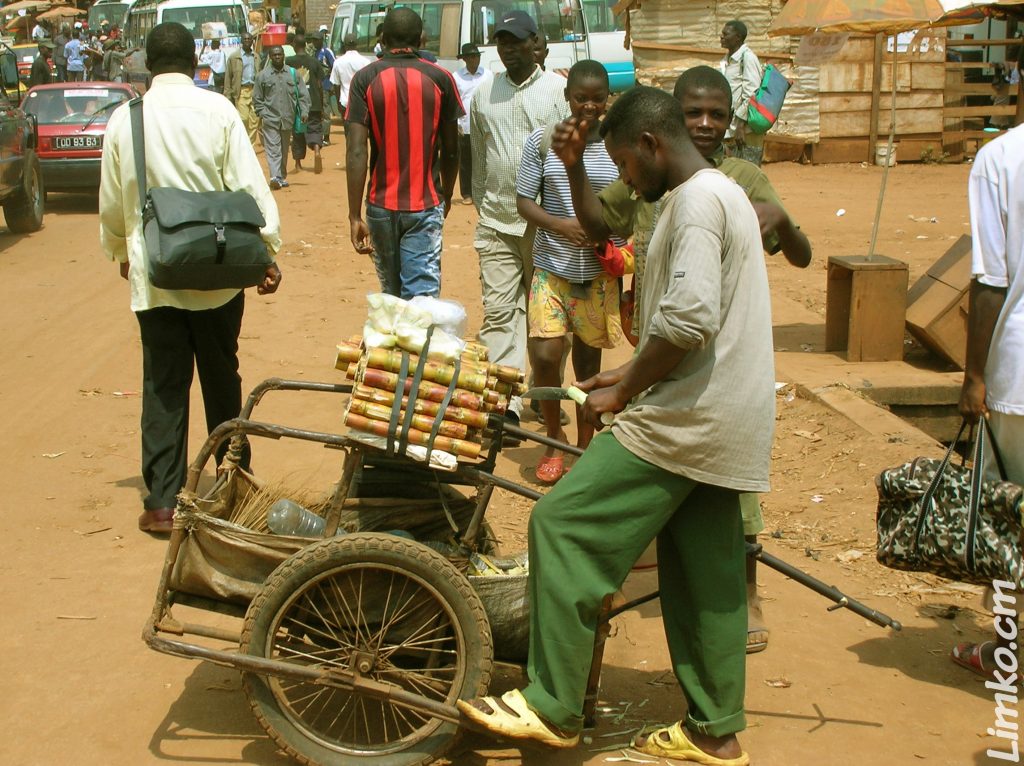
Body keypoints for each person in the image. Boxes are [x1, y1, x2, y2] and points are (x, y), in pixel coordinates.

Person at [459, 85, 772, 766]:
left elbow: (689, 322)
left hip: (687, 419)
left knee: (563, 523)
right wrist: (622, 373)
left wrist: (626, 387)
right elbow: (690, 318)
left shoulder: (693, 204)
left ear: (651, 145)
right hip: (731, 415)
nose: (627, 179)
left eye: (627, 167)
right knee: (705, 569)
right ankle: (714, 731)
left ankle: (551, 705)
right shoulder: (715, 196)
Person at [553, 64, 811, 653]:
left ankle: (736, 595)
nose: (704, 123)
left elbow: (701, 312)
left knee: (716, 503)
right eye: (692, 112)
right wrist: (573, 167)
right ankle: (710, 682)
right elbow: (598, 224)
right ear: (669, 120)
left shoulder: (720, 188)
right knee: (694, 509)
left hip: (704, 370)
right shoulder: (664, 182)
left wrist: (784, 224)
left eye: (716, 114)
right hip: (662, 357)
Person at [99, 22, 282, 535]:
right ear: (195, 59)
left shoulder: (125, 119)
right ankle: (231, 488)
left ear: (147, 63)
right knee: (223, 375)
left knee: (163, 382)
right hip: (219, 272)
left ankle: (162, 502)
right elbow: (250, 188)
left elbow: (114, 202)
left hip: (156, 274)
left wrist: (121, 250)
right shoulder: (219, 111)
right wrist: (268, 251)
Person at [516, 60, 622, 483]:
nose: (591, 107)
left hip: (597, 274)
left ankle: (582, 443)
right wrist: (561, 225)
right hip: (551, 268)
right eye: (582, 98)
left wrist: (603, 234)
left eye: (599, 99)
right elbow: (524, 201)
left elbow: (628, 199)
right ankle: (552, 436)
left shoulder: (616, 145)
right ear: (567, 96)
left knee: (587, 365)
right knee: (544, 354)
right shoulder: (542, 142)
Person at [950, 122, 1024, 678]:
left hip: (1018, 376)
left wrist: (974, 375)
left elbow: (991, 277)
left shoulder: (1001, 158)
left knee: (1008, 522)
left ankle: (1009, 649)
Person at [471, 10, 569, 427]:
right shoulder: (483, 93)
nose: (509, 49)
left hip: (545, 224)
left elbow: (569, 159)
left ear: (535, 43)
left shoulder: (557, 91)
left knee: (546, 319)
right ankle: (504, 405)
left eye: (517, 41)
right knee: (499, 313)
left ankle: (542, 393)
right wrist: (483, 204)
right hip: (496, 221)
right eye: (502, 42)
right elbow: (478, 155)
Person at [345, 7, 461, 299]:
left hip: (380, 204)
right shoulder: (441, 78)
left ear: (382, 39)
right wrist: (446, 192)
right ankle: (419, 345)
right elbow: (451, 148)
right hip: (425, 202)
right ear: (422, 39)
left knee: (392, 295)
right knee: (421, 296)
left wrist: (353, 214)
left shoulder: (364, 79)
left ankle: (393, 344)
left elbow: (356, 150)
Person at [252, 45, 310, 190]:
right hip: (270, 119)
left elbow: (303, 95)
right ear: (270, 57)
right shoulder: (262, 76)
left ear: (283, 55)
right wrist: (262, 112)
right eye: (274, 55)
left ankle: (281, 176)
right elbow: (257, 99)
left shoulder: (293, 74)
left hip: (287, 119)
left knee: (284, 149)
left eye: (279, 54)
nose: (277, 57)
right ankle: (274, 177)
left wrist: (304, 112)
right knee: (273, 149)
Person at [719, 20, 763, 166]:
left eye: (726, 34)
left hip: (745, 130)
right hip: (731, 128)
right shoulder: (727, 61)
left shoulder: (747, 58)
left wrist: (741, 126)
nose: (721, 36)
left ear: (738, 37)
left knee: (747, 174)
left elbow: (752, 93)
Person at [453, 42, 491, 206]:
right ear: (466, 59)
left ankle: (484, 191)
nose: (475, 59)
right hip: (465, 125)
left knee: (485, 159)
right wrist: (456, 123)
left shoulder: (487, 75)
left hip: (484, 124)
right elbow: (455, 101)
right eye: (472, 57)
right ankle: (467, 193)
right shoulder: (457, 77)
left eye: (477, 56)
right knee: (466, 161)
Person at [285, 31, 326, 174]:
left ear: (294, 45)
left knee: (297, 132)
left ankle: (298, 164)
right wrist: (321, 104)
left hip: (296, 103)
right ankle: (316, 150)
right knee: (314, 128)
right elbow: (320, 84)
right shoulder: (314, 61)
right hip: (313, 101)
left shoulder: (288, 62)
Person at [224, 32, 260, 145]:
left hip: (254, 90)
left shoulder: (256, 56)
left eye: (250, 39)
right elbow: (228, 77)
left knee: (255, 120)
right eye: (245, 39)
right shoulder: (234, 57)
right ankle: (243, 144)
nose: (248, 41)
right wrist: (228, 95)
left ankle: (250, 146)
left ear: (252, 41)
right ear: (241, 41)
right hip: (241, 91)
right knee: (243, 119)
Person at [330, 33, 370, 128]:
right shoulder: (366, 61)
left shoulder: (338, 62)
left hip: (345, 102)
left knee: (348, 132)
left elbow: (336, 85)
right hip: (362, 102)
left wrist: (338, 103)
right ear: (357, 44)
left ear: (344, 45)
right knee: (361, 130)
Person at [310, 33, 335, 143]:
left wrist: (332, 83)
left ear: (322, 40)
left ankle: (326, 137)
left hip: (325, 85)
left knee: (325, 110)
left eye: (317, 40)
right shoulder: (314, 53)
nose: (315, 42)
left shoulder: (326, 52)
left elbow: (335, 66)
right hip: (316, 86)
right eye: (314, 40)